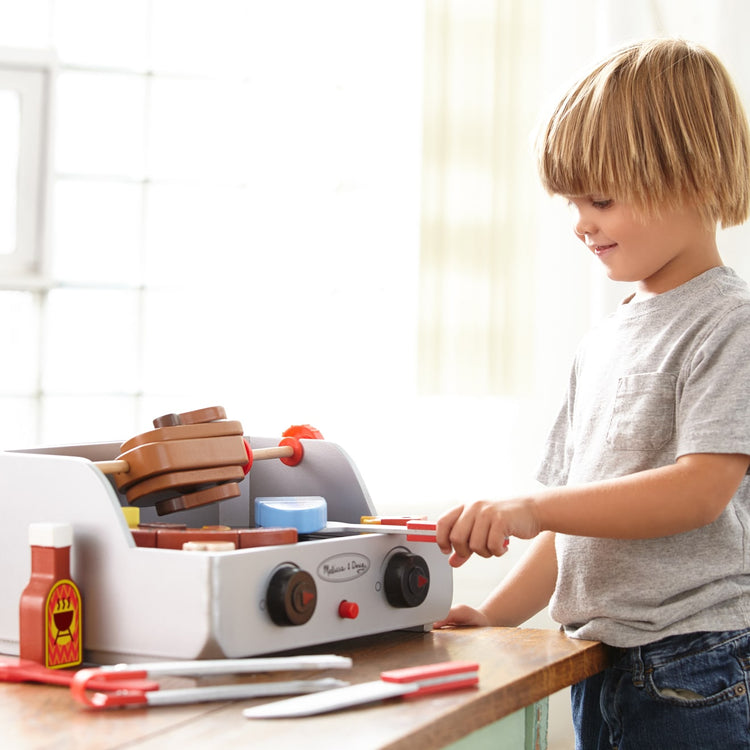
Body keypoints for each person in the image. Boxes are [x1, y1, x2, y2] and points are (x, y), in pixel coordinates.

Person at [434, 38, 750, 749]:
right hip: (601, 665)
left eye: (601, 199)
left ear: (694, 176)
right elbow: (576, 526)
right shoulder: (605, 340)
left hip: (694, 665)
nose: (581, 221)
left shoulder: (732, 323)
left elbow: (699, 490)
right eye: (573, 201)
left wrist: (527, 506)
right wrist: (494, 617)